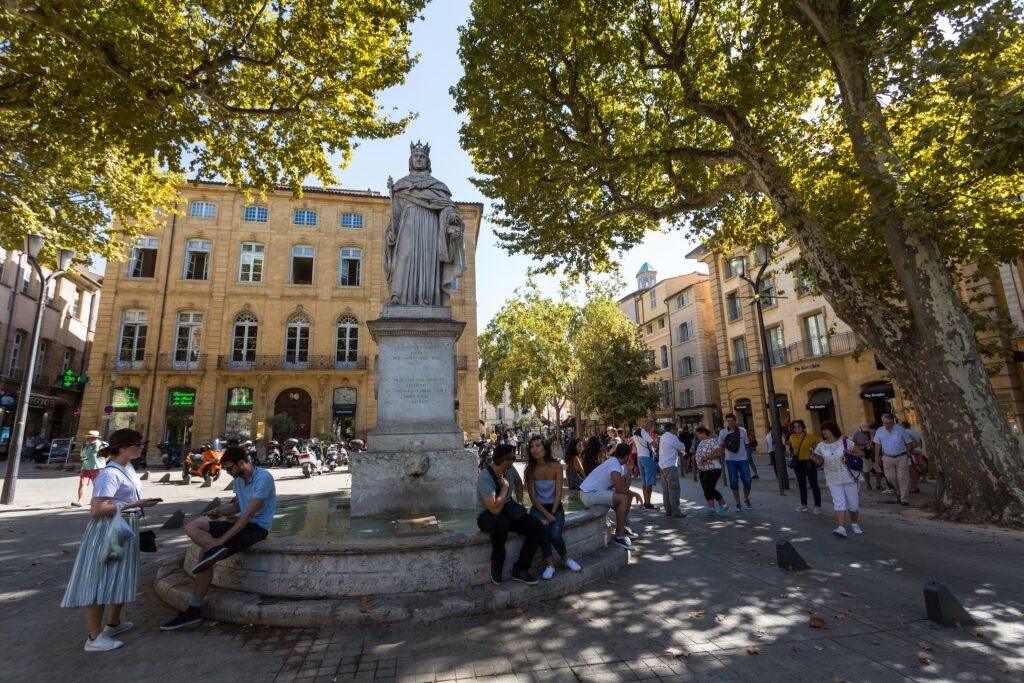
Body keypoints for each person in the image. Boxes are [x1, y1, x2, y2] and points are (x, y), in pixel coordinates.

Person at [60, 429, 160, 652]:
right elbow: (96, 510)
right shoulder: (109, 474)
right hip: (108, 529)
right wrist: (135, 505)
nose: (141, 447)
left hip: (124, 526)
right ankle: (94, 638)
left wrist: (136, 505)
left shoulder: (128, 468)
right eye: (137, 444)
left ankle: (113, 624)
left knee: (120, 575)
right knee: (99, 578)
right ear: (123, 447)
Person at [161, 446, 277, 630]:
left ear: (242, 462)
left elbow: (248, 515)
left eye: (230, 468)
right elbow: (237, 507)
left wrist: (221, 541)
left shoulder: (263, 478)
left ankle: (194, 610)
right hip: (239, 523)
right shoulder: (239, 480)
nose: (229, 473)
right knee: (192, 526)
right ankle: (211, 549)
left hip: (257, 529)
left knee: (205, 556)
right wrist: (219, 511)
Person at [383, 141, 466, 305]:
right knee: (403, 257)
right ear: (411, 160)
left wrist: (451, 223)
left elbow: (448, 207)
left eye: (422, 156)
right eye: (416, 156)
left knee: (428, 263)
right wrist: (390, 234)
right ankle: (398, 297)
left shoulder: (437, 186)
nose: (419, 159)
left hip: (430, 226)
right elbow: (396, 216)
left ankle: (427, 298)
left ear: (427, 161)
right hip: (407, 227)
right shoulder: (400, 186)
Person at [474, 444, 544, 585]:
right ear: (505, 460)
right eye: (513, 457)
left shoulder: (510, 469)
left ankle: (520, 569)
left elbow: (519, 484)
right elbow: (494, 509)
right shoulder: (485, 477)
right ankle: (497, 562)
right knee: (501, 523)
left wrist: (519, 502)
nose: (514, 459)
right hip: (486, 515)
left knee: (537, 527)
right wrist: (505, 487)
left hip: (507, 508)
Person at [525, 436, 582, 579]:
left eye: (538, 445)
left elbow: (559, 492)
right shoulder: (530, 470)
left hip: (555, 507)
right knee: (543, 531)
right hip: (538, 509)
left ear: (545, 447)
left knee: (555, 535)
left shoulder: (556, 465)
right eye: (532, 447)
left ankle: (565, 558)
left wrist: (553, 511)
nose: (535, 449)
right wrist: (546, 514)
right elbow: (533, 498)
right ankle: (550, 564)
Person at [579, 443, 642, 549]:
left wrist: (629, 471)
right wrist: (636, 494)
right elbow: (620, 489)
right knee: (624, 497)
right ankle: (620, 536)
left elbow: (624, 488)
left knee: (627, 496)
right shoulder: (614, 464)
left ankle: (622, 528)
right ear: (627, 456)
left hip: (594, 492)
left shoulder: (617, 465)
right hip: (588, 494)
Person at [810, 421, 864, 538]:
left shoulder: (845, 442)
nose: (824, 432)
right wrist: (813, 458)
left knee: (853, 503)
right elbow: (820, 463)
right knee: (838, 502)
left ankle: (854, 523)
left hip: (849, 477)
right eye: (823, 430)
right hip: (833, 478)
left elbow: (861, 453)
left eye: (826, 429)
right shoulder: (821, 446)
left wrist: (850, 453)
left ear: (832, 430)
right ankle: (841, 527)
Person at [872, 413, 915, 506]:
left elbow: (909, 442)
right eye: (885, 423)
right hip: (887, 457)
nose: (887, 425)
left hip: (901, 456)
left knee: (902, 478)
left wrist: (908, 452)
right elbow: (877, 444)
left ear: (893, 422)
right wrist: (876, 456)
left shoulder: (900, 430)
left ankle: (904, 498)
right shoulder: (880, 431)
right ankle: (899, 491)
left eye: (889, 423)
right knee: (890, 477)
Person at [718, 414, 753, 510]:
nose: (730, 422)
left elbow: (746, 444)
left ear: (735, 420)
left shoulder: (742, 431)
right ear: (726, 422)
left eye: (732, 420)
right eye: (728, 421)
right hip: (730, 461)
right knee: (733, 483)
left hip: (743, 460)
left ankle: (746, 499)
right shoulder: (723, 432)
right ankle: (738, 503)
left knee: (748, 482)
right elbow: (721, 445)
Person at [788, 419, 822, 514]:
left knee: (813, 484)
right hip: (798, 463)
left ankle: (817, 506)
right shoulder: (792, 437)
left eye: (799, 426)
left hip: (809, 462)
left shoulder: (810, 437)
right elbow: (791, 447)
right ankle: (804, 505)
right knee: (801, 484)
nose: (797, 428)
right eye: (794, 427)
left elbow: (820, 444)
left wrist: (815, 453)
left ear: (803, 427)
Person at [694, 426, 728, 515]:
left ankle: (724, 505)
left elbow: (719, 452)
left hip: (713, 469)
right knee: (706, 489)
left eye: (698, 433)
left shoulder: (712, 441)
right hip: (703, 470)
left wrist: (708, 457)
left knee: (710, 488)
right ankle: (711, 507)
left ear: (704, 433)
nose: (697, 435)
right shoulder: (701, 442)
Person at [72, 430, 108, 507]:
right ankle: (80, 501)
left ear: (95, 438)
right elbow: (82, 455)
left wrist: (102, 463)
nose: (87, 439)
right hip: (85, 467)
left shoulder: (103, 445)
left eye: (89, 437)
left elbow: (108, 455)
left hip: (98, 468)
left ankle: (95, 500)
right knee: (82, 484)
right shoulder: (85, 445)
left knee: (97, 485)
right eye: (87, 437)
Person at [656, 427, 687, 517]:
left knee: (666, 489)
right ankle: (676, 510)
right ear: (672, 429)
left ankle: (668, 509)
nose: (676, 432)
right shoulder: (672, 437)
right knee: (674, 489)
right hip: (670, 465)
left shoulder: (663, 437)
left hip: (662, 465)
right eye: (676, 430)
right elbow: (682, 446)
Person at [632, 417, 658, 510]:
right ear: (646, 424)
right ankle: (648, 503)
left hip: (640, 457)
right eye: (650, 426)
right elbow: (653, 444)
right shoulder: (643, 432)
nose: (651, 428)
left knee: (644, 481)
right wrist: (658, 444)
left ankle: (645, 502)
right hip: (647, 457)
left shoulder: (635, 432)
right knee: (649, 482)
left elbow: (632, 443)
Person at [901, 420, 927, 492]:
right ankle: (924, 478)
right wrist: (920, 448)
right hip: (918, 450)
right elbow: (920, 442)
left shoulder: (905, 432)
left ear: (904, 426)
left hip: (911, 451)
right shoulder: (916, 431)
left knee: (912, 468)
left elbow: (912, 442)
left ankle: (914, 484)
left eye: (901, 425)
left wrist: (910, 449)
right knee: (920, 464)